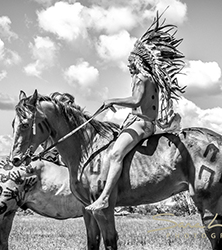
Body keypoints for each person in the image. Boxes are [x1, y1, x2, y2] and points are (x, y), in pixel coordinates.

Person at [85, 14, 186, 211]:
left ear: (139, 62)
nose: (129, 66)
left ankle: (105, 197)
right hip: (147, 123)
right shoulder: (152, 80)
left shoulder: (141, 78)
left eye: (131, 63)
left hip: (141, 124)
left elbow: (136, 101)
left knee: (115, 155)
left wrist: (111, 100)